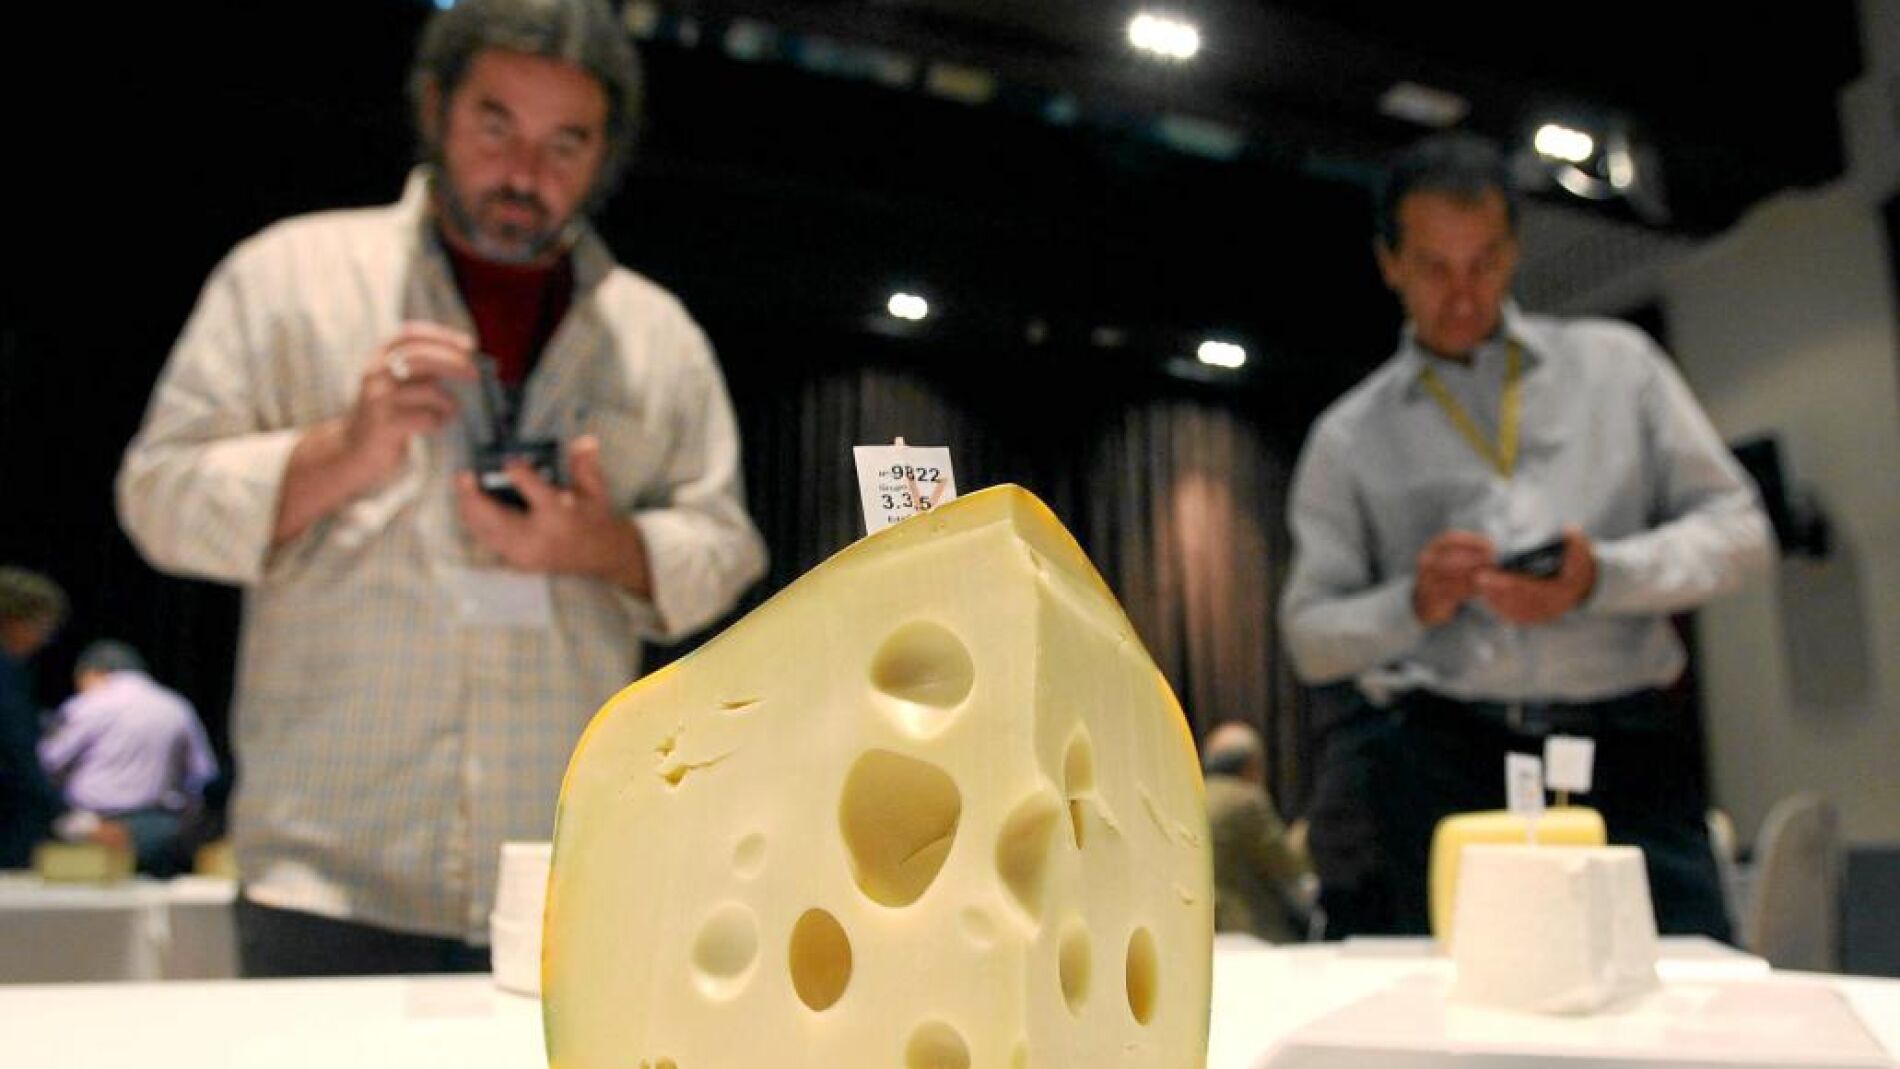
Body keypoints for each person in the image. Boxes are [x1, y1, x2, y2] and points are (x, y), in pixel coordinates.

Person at [117, 0, 767, 975]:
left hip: (564, 874)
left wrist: (603, 546)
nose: (524, 173)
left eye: (566, 143)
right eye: (495, 124)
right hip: (327, 874)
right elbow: (158, 499)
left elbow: (726, 547)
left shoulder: (659, 337)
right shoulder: (287, 275)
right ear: (435, 108)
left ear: (606, 154)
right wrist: (341, 450)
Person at [1279, 132, 1770, 941]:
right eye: (1435, 267)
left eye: (1484, 263)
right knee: (1451, 997)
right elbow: (1309, 636)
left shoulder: (1620, 367)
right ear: (1390, 263)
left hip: (1628, 752)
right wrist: (1413, 602)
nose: (1463, 294)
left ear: (1513, 252)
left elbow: (1742, 532)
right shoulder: (1349, 437)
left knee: (1692, 982)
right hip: (1443, 761)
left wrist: (1600, 575)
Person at [38, 641, 219, 877]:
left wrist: (75, 822)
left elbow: (46, 764)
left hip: (93, 831)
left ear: (93, 673)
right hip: (161, 830)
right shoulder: (177, 707)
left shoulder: (88, 705)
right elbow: (202, 774)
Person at [1203, 720, 1314, 944]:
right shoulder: (1246, 801)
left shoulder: (1192, 795)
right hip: (1249, 931)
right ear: (1252, 766)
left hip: (1205, 930)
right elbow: (1289, 865)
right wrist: (1305, 830)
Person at [0, 567, 67, 869]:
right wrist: (67, 815)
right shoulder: (5, 671)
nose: (44, 639)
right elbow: (16, 751)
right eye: (42, 627)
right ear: (11, 620)